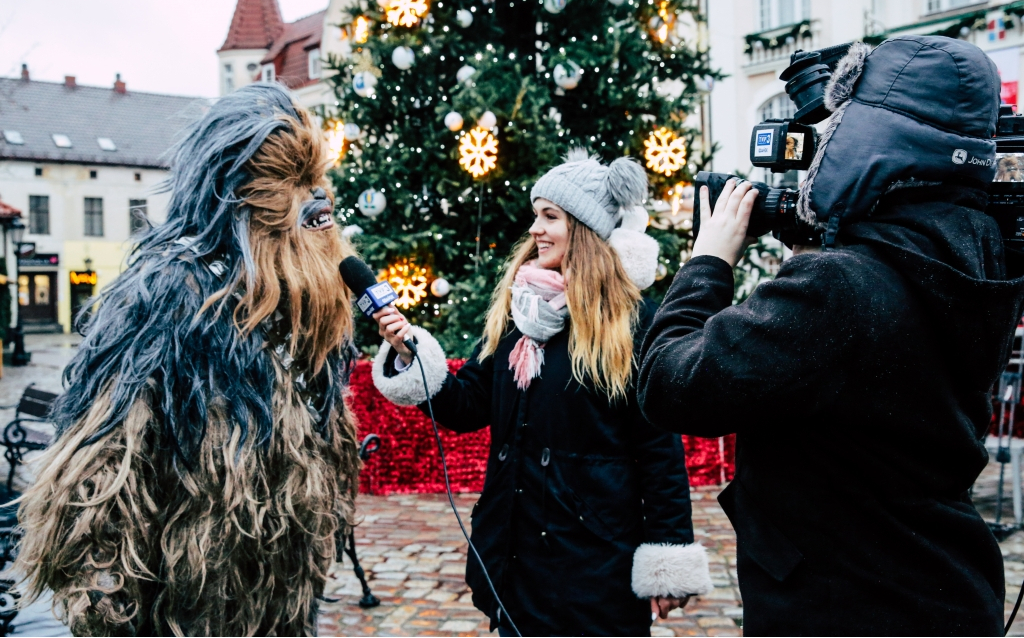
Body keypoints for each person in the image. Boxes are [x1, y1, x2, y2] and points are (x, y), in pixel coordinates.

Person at [638, 35, 1024, 635]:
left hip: (842, 602)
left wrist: (707, 263)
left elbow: (669, 383)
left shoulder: (839, 288)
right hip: (942, 590)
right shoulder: (970, 264)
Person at [15, 84, 361, 635]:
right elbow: (98, 470)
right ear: (237, 195)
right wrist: (104, 598)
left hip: (279, 592)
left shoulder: (310, 300)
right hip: (184, 598)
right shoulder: (173, 292)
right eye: (292, 182)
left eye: (316, 179)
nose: (319, 201)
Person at [371, 151, 712, 636]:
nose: (535, 228)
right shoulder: (520, 310)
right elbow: (469, 402)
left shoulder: (633, 322)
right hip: (516, 551)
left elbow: (659, 452)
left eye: (550, 216)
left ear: (586, 229)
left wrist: (668, 559)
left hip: (594, 561)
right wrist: (413, 357)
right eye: (536, 214)